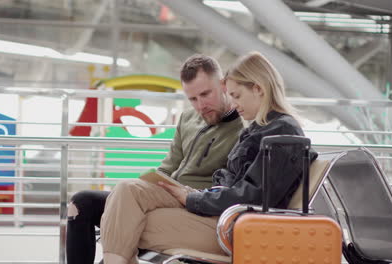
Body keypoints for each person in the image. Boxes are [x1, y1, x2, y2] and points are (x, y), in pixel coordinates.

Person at [99, 51, 318, 264]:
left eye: (236, 95)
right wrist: (197, 195)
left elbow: (255, 195)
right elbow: (238, 186)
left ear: (258, 89)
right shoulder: (259, 129)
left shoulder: (283, 133)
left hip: (236, 227)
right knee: (127, 190)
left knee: (127, 223)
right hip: (222, 213)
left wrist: (193, 199)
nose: (234, 103)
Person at [66, 54, 245, 264]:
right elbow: (168, 167)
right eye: (193, 99)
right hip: (166, 193)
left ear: (223, 84)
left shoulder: (243, 129)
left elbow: (232, 188)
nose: (201, 105)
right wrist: (147, 187)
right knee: (81, 203)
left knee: (126, 212)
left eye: (206, 94)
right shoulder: (188, 118)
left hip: (195, 204)